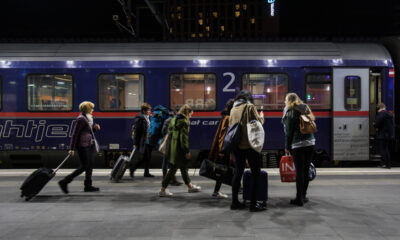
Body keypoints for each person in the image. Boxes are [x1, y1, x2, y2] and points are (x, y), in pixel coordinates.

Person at [229, 90, 265, 212]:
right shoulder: (250, 107)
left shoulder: (233, 109)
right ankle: (253, 204)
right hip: (250, 146)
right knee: (256, 173)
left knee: (237, 173)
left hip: (237, 146)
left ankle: (234, 202)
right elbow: (258, 123)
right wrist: (262, 117)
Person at [58, 101, 101, 193]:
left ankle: (88, 186)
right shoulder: (81, 119)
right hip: (82, 146)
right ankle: (65, 181)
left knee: (89, 166)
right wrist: (71, 148)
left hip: (88, 144)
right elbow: (75, 134)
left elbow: (86, 132)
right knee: (84, 166)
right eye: (92, 108)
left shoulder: (88, 118)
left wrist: (94, 129)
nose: (93, 110)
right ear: (88, 109)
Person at [159, 104, 201, 197]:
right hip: (180, 150)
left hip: (174, 147)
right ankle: (162, 190)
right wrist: (186, 151)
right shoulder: (184, 122)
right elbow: (183, 138)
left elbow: (169, 131)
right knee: (173, 170)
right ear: (187, 113)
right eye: (190, 114)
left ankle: (190, 187)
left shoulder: (174, 119)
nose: (191, 116)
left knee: (183, 168)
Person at [282, 93, 315, 206]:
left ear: (290, 101)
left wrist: (287, 147)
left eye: (285, 100)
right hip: (310, 142)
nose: (284, 102)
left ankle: (298, 198)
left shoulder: (290, 112)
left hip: (298, 144)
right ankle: (304, 195)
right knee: (306, 170)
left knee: (300, 172)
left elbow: (288, 133)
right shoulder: (305, 108)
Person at [208, 99, 234, 199]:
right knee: (225, 170)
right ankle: (216, 191)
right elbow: (224, 136)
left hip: (224, 149)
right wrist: (223, 150)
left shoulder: (225, 117)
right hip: (225, 149)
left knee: (227, 169)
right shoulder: (228, 118)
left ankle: (218, 191)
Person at [130, 102, 154, 178]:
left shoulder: (149, 117)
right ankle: (133, 169)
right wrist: (135, 143)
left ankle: (146, 172)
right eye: (148, 110)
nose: (150, 111)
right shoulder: (139, 119)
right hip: (143, 140)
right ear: (144, 111)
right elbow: (137, 132)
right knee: (144, 157)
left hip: (149, 140)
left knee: (148, 157)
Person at [161, 109, 183, 186]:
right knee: (168, 161)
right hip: (169, 143)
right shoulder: (170, 120)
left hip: (172, 143)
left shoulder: (171, 120)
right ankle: (168, 179)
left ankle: (169, 179)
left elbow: (164, 131)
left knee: (170, 162)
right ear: (176, 112)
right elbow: (164, 131)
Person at [374, 102, 394, 169]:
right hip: (387, 135)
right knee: (385, 149)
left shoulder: (382, 114)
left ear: (380, 108)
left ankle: (387, 165)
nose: (377, 111)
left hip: (383, 135)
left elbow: (377, 123)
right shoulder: (388, 114)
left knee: (383, 150)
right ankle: (386, 164)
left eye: (378, 109)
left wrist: (375, 125)